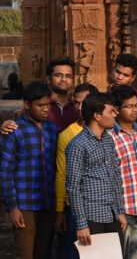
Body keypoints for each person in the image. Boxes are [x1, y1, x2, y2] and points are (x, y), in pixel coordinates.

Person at [0, 81, 57, 259]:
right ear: (27, 105)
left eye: (48, 105)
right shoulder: (14, 131)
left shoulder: (52, 129)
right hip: (25, 206)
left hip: (48, 203)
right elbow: (6, 171)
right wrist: (13, 207)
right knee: (25, 254)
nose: (45, 109)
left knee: (44, 253)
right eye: (40, 105)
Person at [66, 93, 127, 247]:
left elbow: (114, 176)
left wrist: (120, 211)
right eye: (111, 111)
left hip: (112, 213)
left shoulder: (108, 139)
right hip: (91, 217)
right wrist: (81, 224)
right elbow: (73, 187)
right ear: (97, 116)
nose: (116, 114)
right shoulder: (77, 145)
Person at [54, 83, 98, 259]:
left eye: (84, 103)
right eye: (77, 103)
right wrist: (60, 211)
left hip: (100, 206)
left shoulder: (108, 131)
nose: (80, 108)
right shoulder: (68, 134)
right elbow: (62, 175)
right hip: (75, 207)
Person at [109, 85, 137, 259]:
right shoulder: (110, 137)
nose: (134, 110)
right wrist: (117, 211)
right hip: (122, 210)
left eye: (136, 106)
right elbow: (109, 177)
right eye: (129, 106)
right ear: (117, 110)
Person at [0, 57, 78, 134]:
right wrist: (7, 126)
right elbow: (20, 126)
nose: (63, 79)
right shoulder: (37, 105)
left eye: (68, 76)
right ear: (48, 79)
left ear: (72, 81)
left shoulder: (79, 105)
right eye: (58, 75)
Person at [110, 54, 137, 128]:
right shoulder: (106, 96)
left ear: (132, 78)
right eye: (117, 72)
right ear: (113, 70)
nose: (119, 77)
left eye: (125, 75)